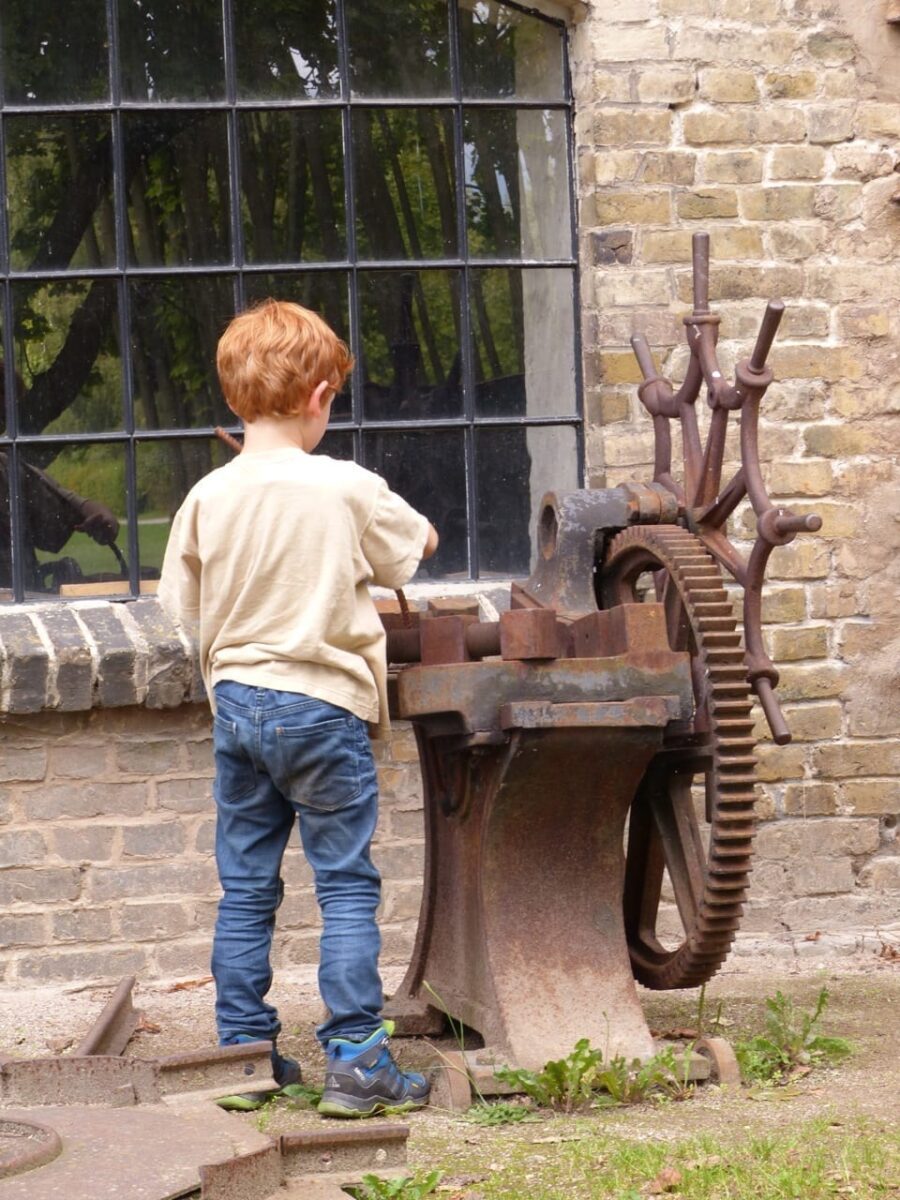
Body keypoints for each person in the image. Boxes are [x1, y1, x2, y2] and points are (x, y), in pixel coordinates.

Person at [158, 299, 439, 1119]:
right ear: (320, 396)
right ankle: (357, 1064)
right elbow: (417, 548)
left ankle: (242, 1056)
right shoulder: (345, 486)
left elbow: (182, 609)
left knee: (246, 889)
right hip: (322, 706)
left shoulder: (207, 496)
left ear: (234, 396)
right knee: (344, 884)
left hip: (238, 709)